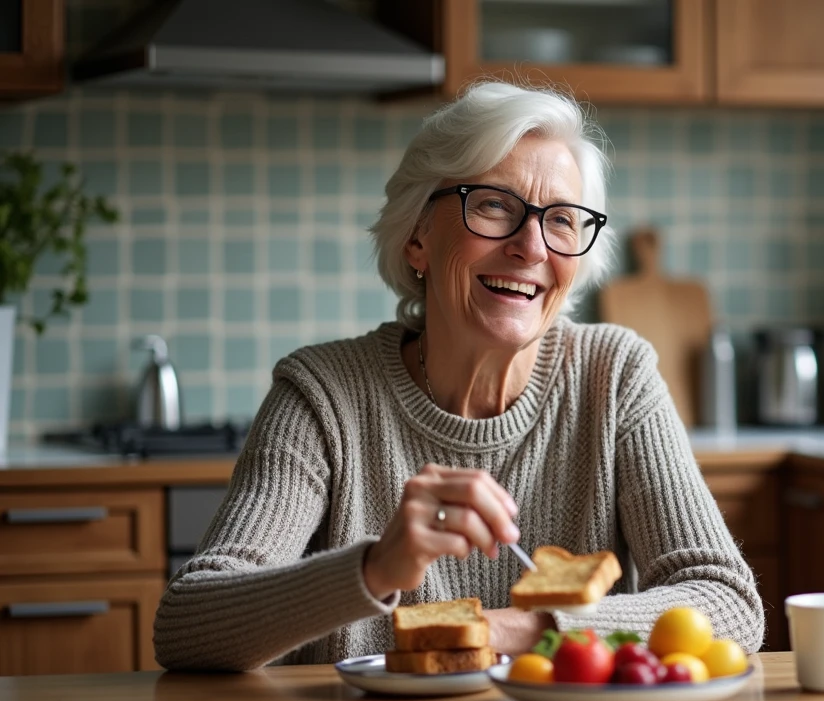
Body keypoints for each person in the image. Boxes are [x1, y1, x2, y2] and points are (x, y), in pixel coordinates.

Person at [153, 81, 765, 671]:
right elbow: (187, 626)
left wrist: (522, 630)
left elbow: (727, 604)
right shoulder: (325, 394)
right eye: (495, 205)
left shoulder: (615, 377)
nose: (531, 247)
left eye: (561, 221)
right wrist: (374, 569)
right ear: (417, 237)